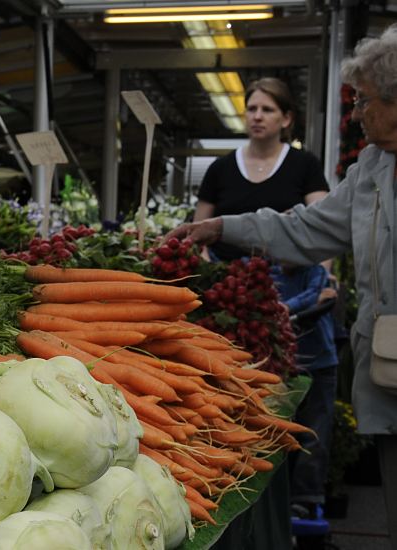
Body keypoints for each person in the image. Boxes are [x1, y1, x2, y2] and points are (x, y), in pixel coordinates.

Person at [166, 24, 397, 548]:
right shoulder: (371, 170)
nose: (356, 113)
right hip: (389, 369)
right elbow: (307, 229)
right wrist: (225, 226)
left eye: (363, 101)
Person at [194, 77, 329, 261]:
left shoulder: (305, 165)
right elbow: (198, 231)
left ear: (286, 119)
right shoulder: (220, 168)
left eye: (267, 110)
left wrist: (320, 277)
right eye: (251, 109)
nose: (257, 116)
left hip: (287, 279)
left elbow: (321, 226)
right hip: (224, 280)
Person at [271, 262, 338, 518]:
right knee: (278, 432)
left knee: (314, 433)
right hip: (282, 367)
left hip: (319, 364)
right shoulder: (271, 272)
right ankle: (281, 496)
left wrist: (286, 308)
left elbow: (312, 295)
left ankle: (306, 498)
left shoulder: (314, 271)